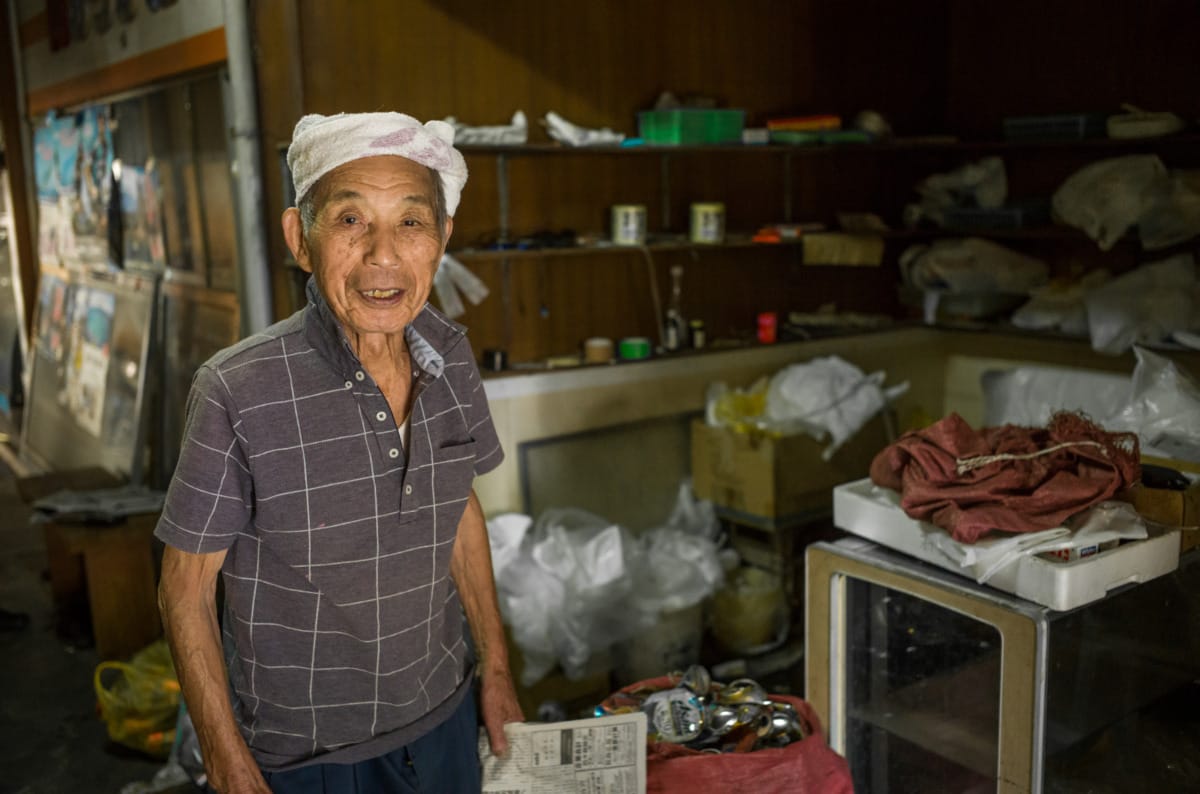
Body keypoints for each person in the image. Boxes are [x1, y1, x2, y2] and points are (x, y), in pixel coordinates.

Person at [156, 112, 524, 793]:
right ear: (302, 238)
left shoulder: (449, 353)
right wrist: (226, 758)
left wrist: (495, 672)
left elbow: (458, 509)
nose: (384, 256)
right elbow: (184, 592)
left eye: (411, 223)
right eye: (351, 220)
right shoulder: (237, 390)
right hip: (309, 759)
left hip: (444, 718)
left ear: (442, 238)